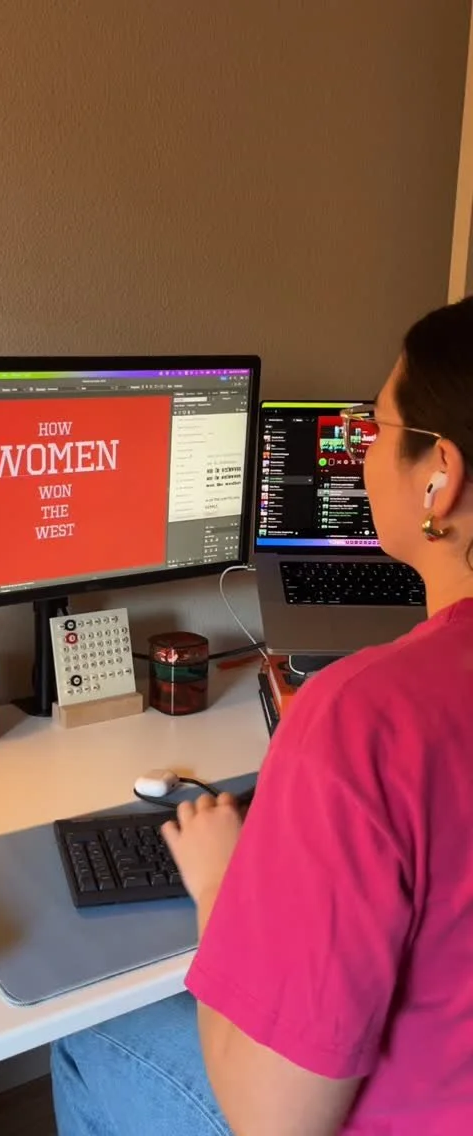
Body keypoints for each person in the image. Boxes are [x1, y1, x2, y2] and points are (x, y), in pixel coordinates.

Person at [51, 297, 473, 1135]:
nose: (364, 452)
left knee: (86, 1038)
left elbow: (274, 1120)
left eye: (377, 427)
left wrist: (220, 885)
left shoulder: (364, 717)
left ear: (440, 475)